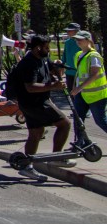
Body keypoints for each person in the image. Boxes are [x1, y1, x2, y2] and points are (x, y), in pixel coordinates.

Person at [13, 34, 72, 181]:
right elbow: (30, 87)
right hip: (35, 103)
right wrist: (54, 86)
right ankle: (56, 157)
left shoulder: (42, 58)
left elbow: (52, 69)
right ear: (37, 48)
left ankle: (27, 166)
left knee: (36, 133)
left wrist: (57, 67)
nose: (49, 50)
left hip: (34, 102)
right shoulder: (29, 63)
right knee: (64, 124)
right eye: (46, 47)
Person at [70, 31, 107, 136]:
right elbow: (78, 74)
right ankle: (80, 144)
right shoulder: (79, 55)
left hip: (96, 95)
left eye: (80, 39)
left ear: (88, 40)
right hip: (82, 94)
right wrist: (75, 88)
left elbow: (94, 74)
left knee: (100, 121)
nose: (78, 41)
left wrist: (78, 88)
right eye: (76, 39)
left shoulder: (93, 56)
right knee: (78, 120)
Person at [63, 23, 82, 92]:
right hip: (69, 72)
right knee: (71, 91)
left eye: (70, 30)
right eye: (67, 30)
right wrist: (62, 64)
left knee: (80, 92)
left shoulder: (82, 42)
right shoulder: (67, 42)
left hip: (79, 73)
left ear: (77, 31)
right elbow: (64, 55)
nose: (67, 32)